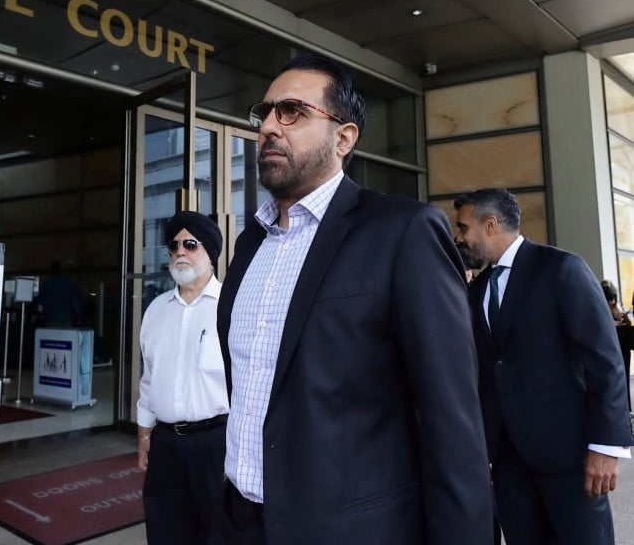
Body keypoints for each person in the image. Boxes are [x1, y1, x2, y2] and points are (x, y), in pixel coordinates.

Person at [214, 53, 492, 545]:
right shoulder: (249, 243)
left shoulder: (402, 231)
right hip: (241, 519)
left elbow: (450, 419)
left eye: (293, 112)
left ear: (343, 138)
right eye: (266, 113)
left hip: (349, 528)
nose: (270, 128)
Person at [454, 188, 633, 545]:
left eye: (463, 227)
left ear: (490, 225)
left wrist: (606, 446)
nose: (458, 238)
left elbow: (604, 358)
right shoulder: (476, 291)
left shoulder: (561, 268)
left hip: (570, 455)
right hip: (508, 462)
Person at [137, 211, 229, 545]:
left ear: (210, 254)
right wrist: (144, 432)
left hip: (216, 444)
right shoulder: (156, 310)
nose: (180, 252)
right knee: (165, 531)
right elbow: (149, 376)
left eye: (190, 244)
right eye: (174, 245)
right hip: (165, 445)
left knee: (217, 532)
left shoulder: (231, 307)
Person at [602, 280, 632, 412]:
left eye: (613, 303)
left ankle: (627, 411)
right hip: (609, 353)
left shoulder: (617, 309)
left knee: (623, 382)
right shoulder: (597, 312)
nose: (611, 306)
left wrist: (623, 319)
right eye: (609, 304)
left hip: (622, 349)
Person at [36, 261, 83, 327]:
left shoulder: (46, 285)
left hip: (51, 318)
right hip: (66, 317)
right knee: (65, 336)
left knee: (51, 336)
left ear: (51, 271)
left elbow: (41, 302)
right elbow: (74, 301)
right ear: (61, 271)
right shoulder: (69, 284)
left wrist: (40, 314)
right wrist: (78, 315)